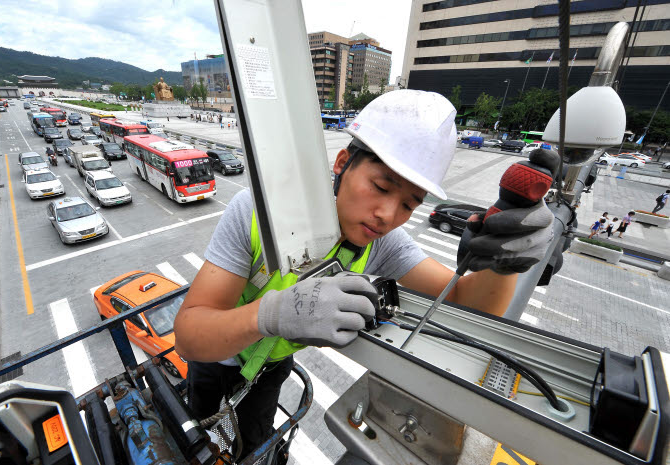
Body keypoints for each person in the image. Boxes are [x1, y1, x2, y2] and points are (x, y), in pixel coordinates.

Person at [173, 90, 555, 458]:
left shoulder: (382, 242)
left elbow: (462, 302)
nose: (388, 215)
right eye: (380, 186)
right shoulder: (259, 213)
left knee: (250, 445)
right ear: (342, 164)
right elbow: (190, 336)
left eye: (408, 204)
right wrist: (271, 315)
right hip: (217, 360)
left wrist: (505, 258)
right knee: (201, 442)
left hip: (269, 370)